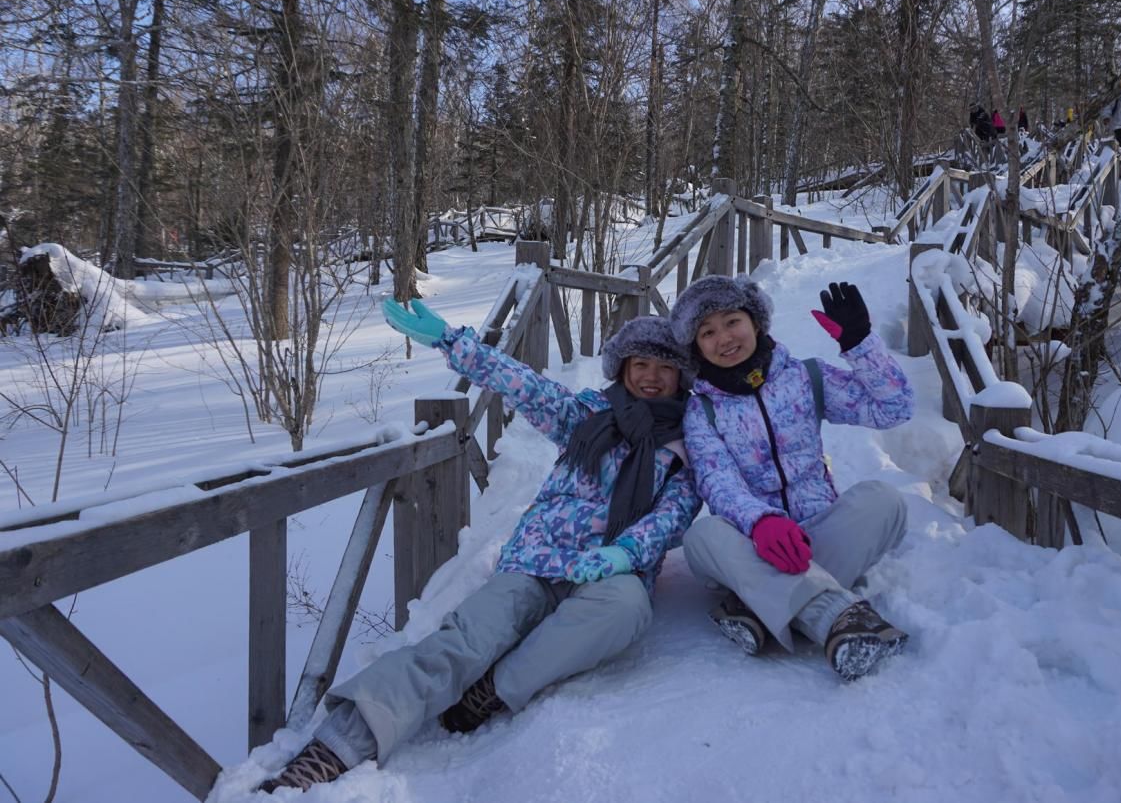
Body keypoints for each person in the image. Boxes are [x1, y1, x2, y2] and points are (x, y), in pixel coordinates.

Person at [259, 306, 701, 792]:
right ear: (622, 370)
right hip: (536, 561)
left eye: (664, 367)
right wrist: (452, 341)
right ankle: (336, 746)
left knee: (625, 609)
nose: (652, 377)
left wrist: (623, 554)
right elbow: (522, 384)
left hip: (608, 572)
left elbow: (671, 518)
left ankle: (492, 689)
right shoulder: (586, 416)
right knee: (465, 640)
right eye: (641, 365)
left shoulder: (686, 446)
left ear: (681, 377)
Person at [668, 275, 915, 682]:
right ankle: (837, 620)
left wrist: (860, 345)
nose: (724, 338)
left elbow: (895, 409)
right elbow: (716, 481)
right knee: (702, 536)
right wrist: (760, 521)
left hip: (818, 537)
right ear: (696, 347)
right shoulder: (702, 411)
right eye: (707, 332)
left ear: (755, 321)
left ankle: (760, 604)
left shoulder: (806, 377)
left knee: (884, 501)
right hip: (751, 545)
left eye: (732, 321)